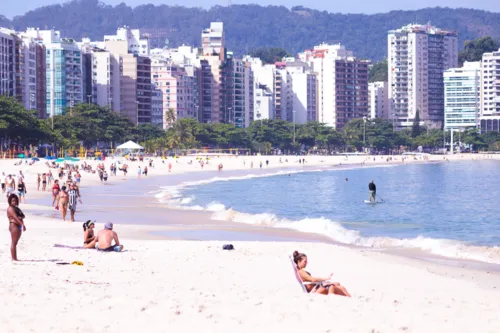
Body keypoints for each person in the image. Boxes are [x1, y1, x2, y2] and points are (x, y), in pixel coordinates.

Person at [7, 194, 26, 261]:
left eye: (15, 201)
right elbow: (15, 217)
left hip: (18, 226)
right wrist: (22, 224)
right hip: (14, 226)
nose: (14, 202)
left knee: (15, 243)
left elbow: (23, 215)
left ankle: (15, 258)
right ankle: (14, 258)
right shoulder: (10, 208)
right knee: (14, 243)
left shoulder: (16, 208)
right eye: (12, 201)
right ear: (10, 201)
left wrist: (21, 220)